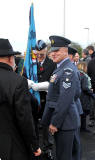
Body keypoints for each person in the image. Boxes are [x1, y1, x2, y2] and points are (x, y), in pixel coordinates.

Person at [0, 38, 41, 160]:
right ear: (10, 58)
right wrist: (34, 145)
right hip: (12, 145)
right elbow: (24, 118)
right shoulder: (17, 81)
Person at [41, 35, 81, 160]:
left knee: (64, 156)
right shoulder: (61, 68)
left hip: (65, 122)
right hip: (64, 120)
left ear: (65, 51)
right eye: (52, 51)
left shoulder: (67, 70)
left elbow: (65, 100)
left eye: (57, 50)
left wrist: (55, 123)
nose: (53, 54)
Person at [77, 61, 94, 132]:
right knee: (83, 113)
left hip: (79, 96)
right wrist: (91, 92)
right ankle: (82, 128)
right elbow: (85, 87)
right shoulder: (83, 76)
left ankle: (81, 128)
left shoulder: (78, 74)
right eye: (86, 67)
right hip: (84, 97)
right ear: (83, 67)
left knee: (81, 113)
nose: (87, 68)